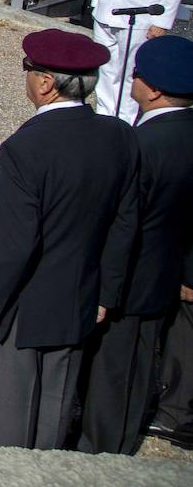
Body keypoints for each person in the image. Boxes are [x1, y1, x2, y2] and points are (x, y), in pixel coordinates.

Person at [0, 28, 139, 449]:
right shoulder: (118, 135)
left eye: (28, 68)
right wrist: (105, 294)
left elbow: (15, 240)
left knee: (8, 424)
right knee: (54, 413)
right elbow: (125, 221)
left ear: (45, 83)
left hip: (22, 307)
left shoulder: (25, 148)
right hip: (79, 296)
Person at [82, 35, 193, 454]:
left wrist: (105, 289)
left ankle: (104, 451)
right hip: (164, 273)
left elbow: (121, 223)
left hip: (128, 278)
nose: (133, 78)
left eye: (139, 74)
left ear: (155, 90)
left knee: (114, 371)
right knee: (138, 363)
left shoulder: (142, 146)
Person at [144, 37, 193, 451]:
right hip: (176, 257)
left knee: (176, 341)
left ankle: (176, 414)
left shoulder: (148, 144)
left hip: (158, 263)